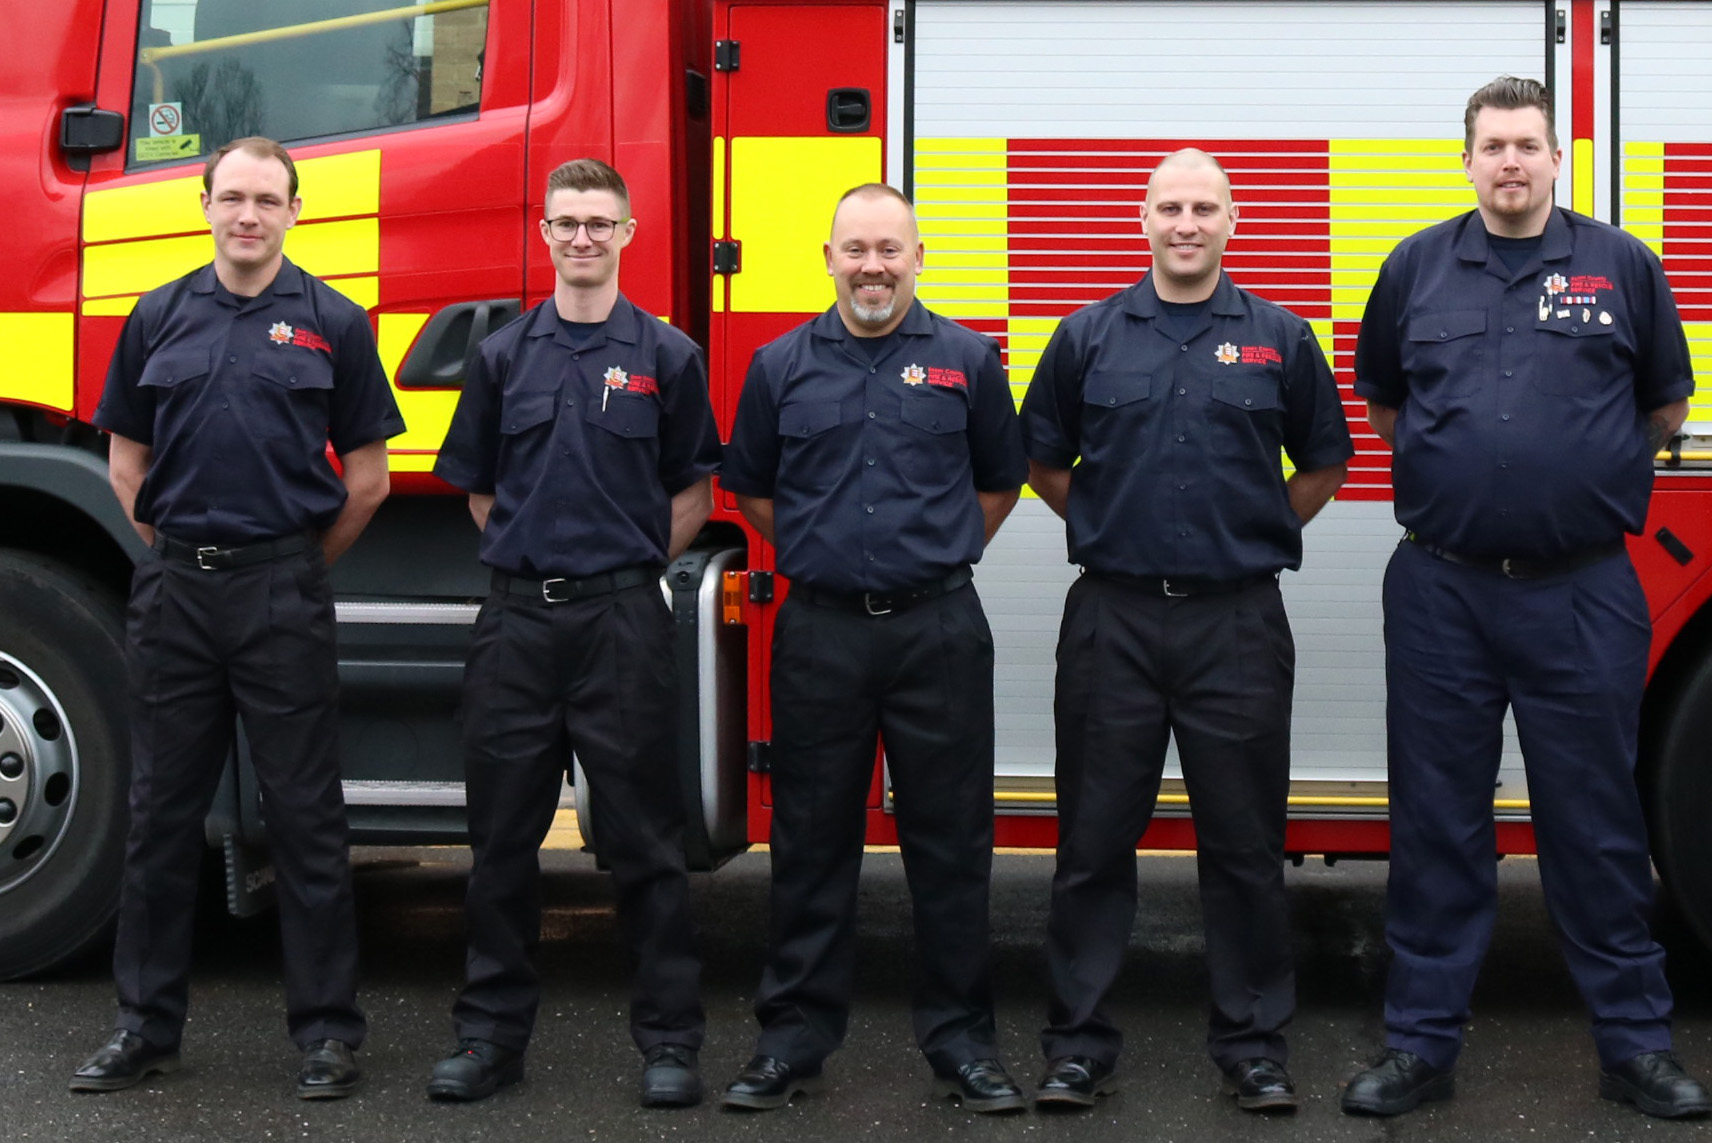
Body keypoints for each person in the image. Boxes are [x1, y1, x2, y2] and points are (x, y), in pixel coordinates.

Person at [1343, 76, 1710, 1120]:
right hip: (1440, 593)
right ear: (1466, 160)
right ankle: (1418, 1046)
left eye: (1527, 145)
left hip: (1580, 590)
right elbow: (1383, 400)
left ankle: (1634, 1046)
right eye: (1491, 145)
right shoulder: (1415, 266)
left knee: (1591, 824)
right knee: (1436, 825)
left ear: (1557, 159)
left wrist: (1565, 481)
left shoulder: (1619, 267)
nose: (1509, 162)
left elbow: (1662, 402)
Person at [1019, 149, 1352, 1114]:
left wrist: (1255, 529)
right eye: (1170, 206)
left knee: (1244, 844)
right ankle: (1077, 1043)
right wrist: (1111, 524)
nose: (1186, 223)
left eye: (1205, 207)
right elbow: (1041, 458)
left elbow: (1324, 460)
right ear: (1143, 218)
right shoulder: (1086, 336)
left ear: (1233, 220)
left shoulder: (1281, 338)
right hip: (1112, 618)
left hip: (1236, 621)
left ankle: (1252, 1045)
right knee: (1091, 842)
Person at [74, 136, 403, 1099]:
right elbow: (126, 462)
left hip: (279, 592)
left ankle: (329, 1035)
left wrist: (292, 567)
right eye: (233, 197)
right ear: (204, 204)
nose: (248, 214)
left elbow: (371, 480)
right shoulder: (158, 316)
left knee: (306, 820)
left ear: (297, 211)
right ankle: (144, 1027)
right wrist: (180, 559)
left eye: (267, 199)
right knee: (158, 820)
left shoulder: (334, 323)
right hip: (178, 590)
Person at [717, 184, 1029, 1113]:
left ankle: (962, 1041)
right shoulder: (779, 365)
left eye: (890, 249)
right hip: (820, 632)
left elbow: (1000, 483)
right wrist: (830, 555)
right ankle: (792, 1039)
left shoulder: (968, 360)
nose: (873, 266)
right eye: (856, 249)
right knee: (811, 842)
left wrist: (929, 557)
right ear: (828, 258)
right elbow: (756, 493)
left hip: (937, 628)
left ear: (919, 258)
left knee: (950, 843)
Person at [428, 158, 719, 1108]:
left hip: (622, 620)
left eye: (600, 222)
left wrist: (620, 567)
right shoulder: (504, 355)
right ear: (544, 235)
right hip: (516, 622)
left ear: (629, 234)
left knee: (644, 842)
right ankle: (489, 1039)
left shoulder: (668, 356)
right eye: (567, 223)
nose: (583, 238)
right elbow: (477, 491)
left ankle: (670, 1040)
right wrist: (539, 565)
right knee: (502, 841)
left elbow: (693, 490)